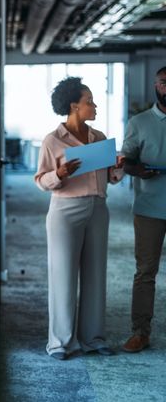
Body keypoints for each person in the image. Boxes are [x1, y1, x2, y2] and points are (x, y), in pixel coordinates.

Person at [34, 76, 124, 360]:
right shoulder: (52, 140)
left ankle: (93, 338)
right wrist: (58, 174)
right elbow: (40, 180)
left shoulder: (98, 138)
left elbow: (110, 179)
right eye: (89, 102)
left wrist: (115, 169)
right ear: (73, 106)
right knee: (63, 276)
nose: (94, 106)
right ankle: (60, 343)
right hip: (65, 211)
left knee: (96, 274)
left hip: (98, 208)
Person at [121, 66, 166, 353]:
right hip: (150, 207)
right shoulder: (139, 122)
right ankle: (140, 332)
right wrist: (137, 169)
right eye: (164, 83)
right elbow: (125, 161)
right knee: (146, 271)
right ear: (156, 85)